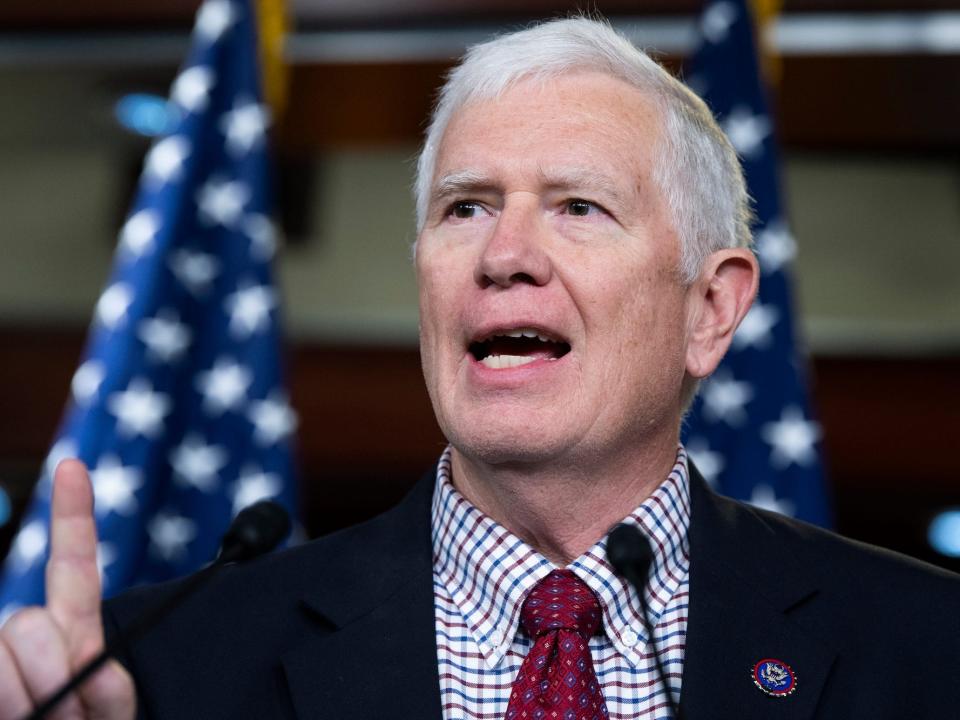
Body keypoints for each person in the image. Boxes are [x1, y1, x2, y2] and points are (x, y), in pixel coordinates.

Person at [1, 16, 957, 720]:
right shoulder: (157, 671)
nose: (505, 254)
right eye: (465, 207)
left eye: (579, 206)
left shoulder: (928, 649)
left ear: (711, 309)